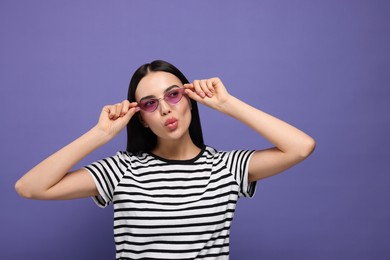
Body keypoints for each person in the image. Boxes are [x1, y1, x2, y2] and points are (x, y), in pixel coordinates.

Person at [15, 60, 316, 259]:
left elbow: (301, 147)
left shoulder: (226, 167)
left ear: (190, 100)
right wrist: (101, 134)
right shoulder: (122, 169)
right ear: (142, 119)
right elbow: (30, 187)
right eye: (149, 103)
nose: (165, 110)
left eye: (173, 95)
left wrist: (227, 104)